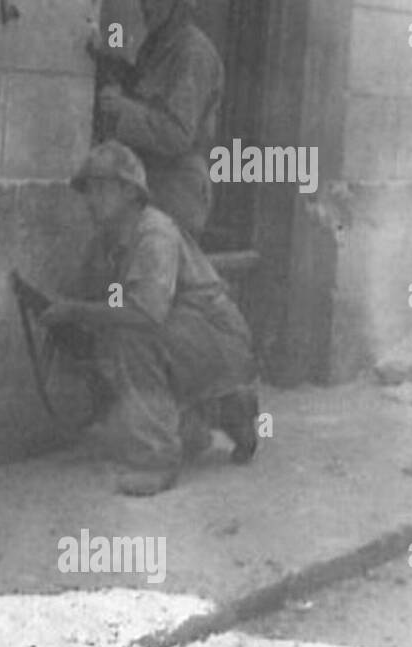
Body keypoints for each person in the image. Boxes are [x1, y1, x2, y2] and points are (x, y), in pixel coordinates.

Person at [40, 141, 258, 496]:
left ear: (129, 191)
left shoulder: (155, 232)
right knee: (114, 335)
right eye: (88, 190)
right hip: (194, 339)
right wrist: (67, 312)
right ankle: (226, 411)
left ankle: (157, 461)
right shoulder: (107, 240)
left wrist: (77, 311)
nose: (90, 199)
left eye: (100, 188)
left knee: (130, 336)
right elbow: (95, 297)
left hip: (218, 337)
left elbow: (146, 312)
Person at [88, 0, 224, 240]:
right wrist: (104, 60)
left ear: (178, 6)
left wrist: (124, 109)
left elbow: (177, 133)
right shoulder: (158, 45)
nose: (146, 6)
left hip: (178, 190)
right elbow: (141, 86)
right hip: (151, 184)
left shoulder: (193, 53)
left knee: (161, 272)